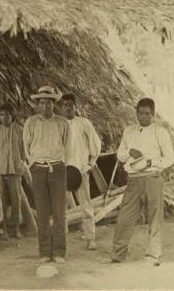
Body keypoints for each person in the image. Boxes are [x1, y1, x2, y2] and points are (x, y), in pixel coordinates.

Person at [111, 98, 174, 266]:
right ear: (136, 113)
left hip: (152, 177)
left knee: (154, 217)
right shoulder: (129, 131)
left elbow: (169, 158)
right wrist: (130, 152)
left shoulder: (160, 132)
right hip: (133, 180)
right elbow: (119, 155)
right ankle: (118, 254)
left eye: (147, 113)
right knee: (125, 216)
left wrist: (150, 162)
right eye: (140, 113)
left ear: (152, 114)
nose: (143, 116)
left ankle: (154, 254)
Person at [23, 86, 69, 264]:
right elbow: (26, 146)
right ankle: (44, 252)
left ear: (54, 104)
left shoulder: (62, 123)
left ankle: (59, 251)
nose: (45, 106)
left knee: (59, 212)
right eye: (41, 102)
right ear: (37, 104)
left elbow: (68, 147)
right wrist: (33, 163)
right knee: (42, 212)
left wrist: (61, 164)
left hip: (57, 168)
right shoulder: (31, 122)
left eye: (49, 102)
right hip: (38, 169)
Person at [60, 93, 101, 250]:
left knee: (86, 205)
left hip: (81, 170)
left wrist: (90, 164)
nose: (68, 107)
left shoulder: (84, 123)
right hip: (63, 171)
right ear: (61, 107)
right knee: (61, 206)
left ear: (75, 106)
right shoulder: (58, 124)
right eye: (65, 105)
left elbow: (95, 144)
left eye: (71, 104)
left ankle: (90, 238)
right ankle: (62, 240)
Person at [0, 103, 25, 239]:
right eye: (2, 115)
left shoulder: (19, 130)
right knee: (1, 200)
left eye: (8, 115)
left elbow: (24, 150)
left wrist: (19, 162)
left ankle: (16, 229)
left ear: (12, 116)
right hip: (0, 170)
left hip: (15, 169)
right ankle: (3, 229)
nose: (5, 117)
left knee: (16, 200)